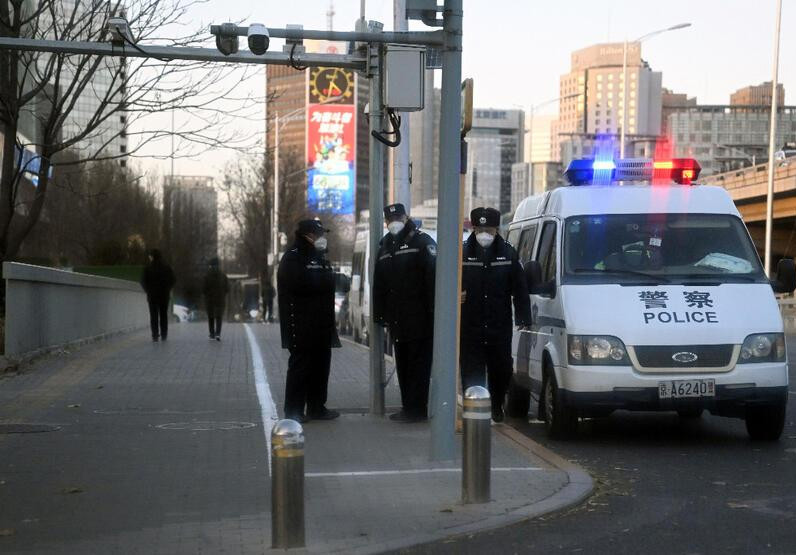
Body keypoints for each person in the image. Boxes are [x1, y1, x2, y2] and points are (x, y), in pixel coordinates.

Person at [460, 207, 531, 422]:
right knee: (471, 370)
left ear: (496, 230)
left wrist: (523, 317)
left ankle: (497, 404)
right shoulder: (462, 253)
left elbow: (520, 288)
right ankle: (473, 408)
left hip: (498, 325)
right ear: (473, 229)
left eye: (488, 230)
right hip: (469, 324)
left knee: (501, 369)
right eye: (479, 229)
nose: (484, 234)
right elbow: (448, 283)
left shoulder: (508, 253)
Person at [373, 203, 437, 423]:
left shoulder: (422, 242)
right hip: (397, 319)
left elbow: (433, 279)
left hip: (421, 319)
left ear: (406, 217)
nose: (393, 223)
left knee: (419, 365)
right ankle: (407, 406)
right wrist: (379, 315)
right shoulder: (385, 247)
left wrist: (433, 313)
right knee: (403, 364)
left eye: (397, 218)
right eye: (390, 220)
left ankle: (417, 409)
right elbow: (379, 285)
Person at [277, 219, 341, 423]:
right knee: (300, 368)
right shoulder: (293, 257)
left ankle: (317, 407)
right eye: (320, 234)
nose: (323, 238)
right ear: (309, 235)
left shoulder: (320, 257)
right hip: (302, 324)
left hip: (322, 324)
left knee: (321, 368)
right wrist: (330, 280)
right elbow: (299, 283)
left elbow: (326, 283)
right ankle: (294, 410)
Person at [140, 249, 176, 342]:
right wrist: (167, 289)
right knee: (163, 315)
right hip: (164, 295)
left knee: (153, 316)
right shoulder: (167, 267)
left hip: (152, 296)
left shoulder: (148, 268)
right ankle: (164, 334)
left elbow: (143, 281)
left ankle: (155, 335)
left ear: (152, 256)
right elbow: (173, 280)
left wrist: (148, 290)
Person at [203, 257, 229, 341]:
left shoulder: (207, 276)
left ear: (210, 265)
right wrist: (223, 294)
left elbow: (203, 289)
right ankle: (218, 333)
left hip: (210, 299)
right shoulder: (223, 276)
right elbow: (227, 288)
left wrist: (207, 294)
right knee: (219, 317)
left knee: (211, 317)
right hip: (220, 299)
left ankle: (212, 334)